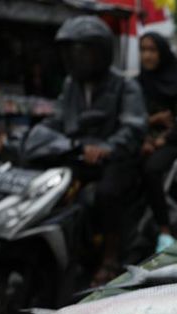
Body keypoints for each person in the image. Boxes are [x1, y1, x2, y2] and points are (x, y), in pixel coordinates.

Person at [43, 16, 147, 285]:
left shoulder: (125, 85)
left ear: (101, 52)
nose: (76, 58)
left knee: (107, 193)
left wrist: (107, 147)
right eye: (71, 52)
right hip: (78, 154)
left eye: (83, 51)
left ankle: (110, 257)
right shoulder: (70, 85)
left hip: (116, 158)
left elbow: (133, 127)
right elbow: (57, 118)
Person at [137, 31, 177, 252]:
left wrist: (161, 140)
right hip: (138, 139)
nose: (147, 56)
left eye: (152, 50)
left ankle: (164, 230)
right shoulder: (138, 82)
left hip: (167, 143)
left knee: (151, 170)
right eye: (143, 50)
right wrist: (151, 122)